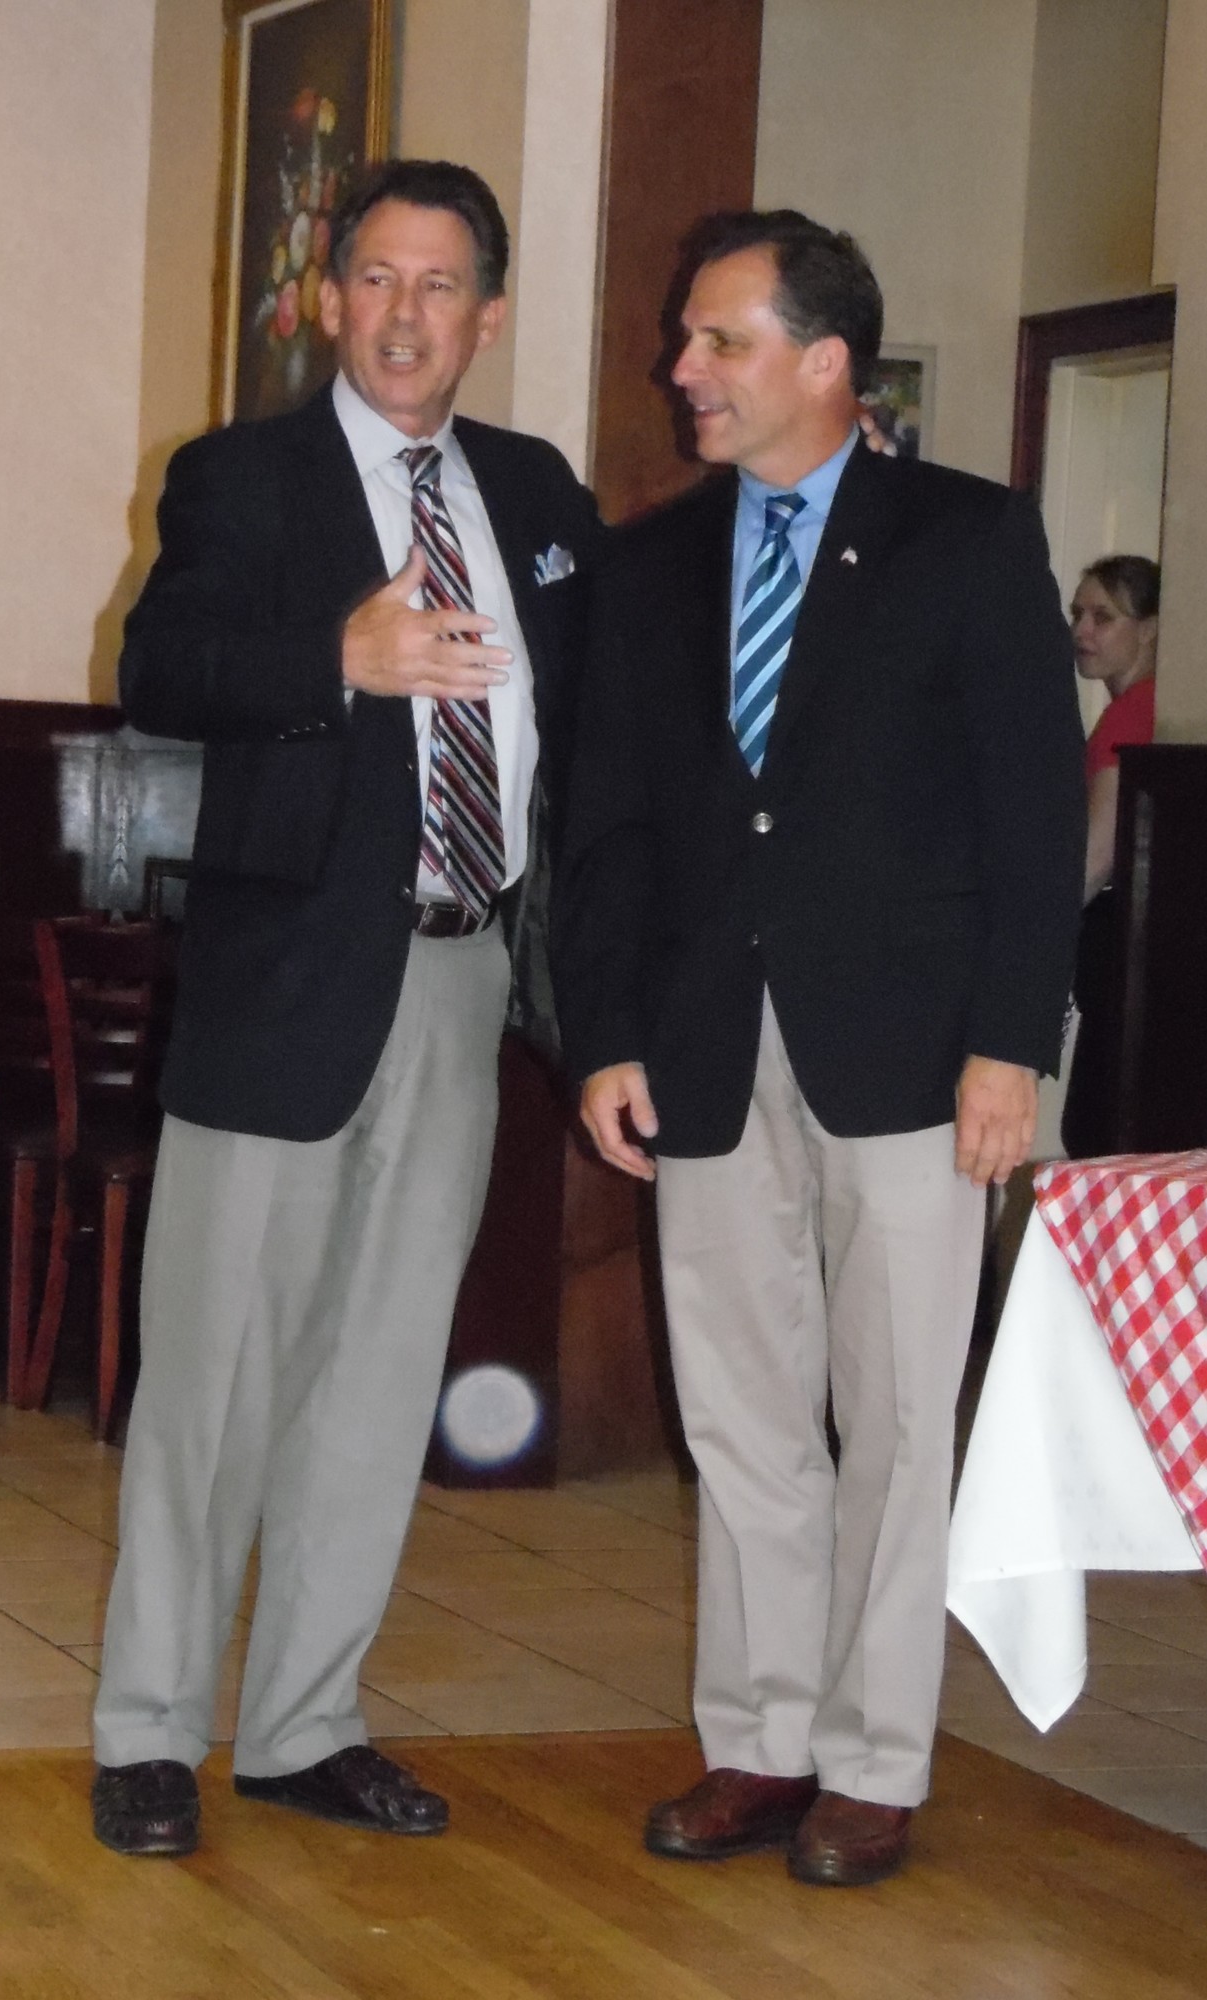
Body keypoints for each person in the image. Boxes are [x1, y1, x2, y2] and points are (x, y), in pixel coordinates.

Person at [554, 208, 1084, 1887]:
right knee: (744, 1420)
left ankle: (874, 1759)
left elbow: (1032, 807)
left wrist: (1013, 1044)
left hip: (918, 1058)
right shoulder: (650, 565)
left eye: (717, 341)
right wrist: (605, 1034)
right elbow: (612, 827)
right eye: (688, 342)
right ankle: (761, 1744)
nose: (682, 370)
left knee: (899, 1414)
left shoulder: (970, 537)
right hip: (707, 1050)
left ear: (825, 361)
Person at [91, 158, 599, 1858]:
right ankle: (151, 1731)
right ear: (325, 298)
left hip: (461, 987)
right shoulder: (242, 477)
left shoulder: (536, 492)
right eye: (373, 278)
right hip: (284, 986)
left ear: (489, 315)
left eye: (439, 284)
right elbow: (157, 669)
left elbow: (612, 700)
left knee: (381, 1377)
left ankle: (307, 1723)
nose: (401, 314)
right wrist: (340, 660)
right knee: (213, 1380)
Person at [1061, 554, 1159, 1158]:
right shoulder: (1135, 710)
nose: (1082, 631)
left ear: (1149, 629)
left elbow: (1094, 859)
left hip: (1122, 956)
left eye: (1104, 616)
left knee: (1099, 1131)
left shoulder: (1134, 713)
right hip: (1131, 957)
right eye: (1078, 614)